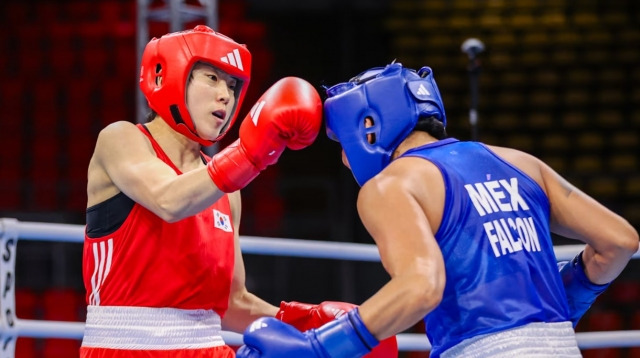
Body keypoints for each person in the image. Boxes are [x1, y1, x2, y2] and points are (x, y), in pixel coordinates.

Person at [236, 62, 640, 357]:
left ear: (369, 128)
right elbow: (619, 241)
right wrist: (569, 298)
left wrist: (319, 348)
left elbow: (420, 287)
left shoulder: (392, 184)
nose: (344, 160)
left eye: (343, 144)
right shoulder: (521, 162)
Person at [80, 25, 397, 358]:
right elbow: (168, 199)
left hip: (208, 349)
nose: (225, 95)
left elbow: (231, 303)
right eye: (212, 78)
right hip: (122, 348)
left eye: (232, 86)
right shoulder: (122, 140)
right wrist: (250, 152)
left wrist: (312, 323)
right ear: (168, 76)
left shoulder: (226, 190)